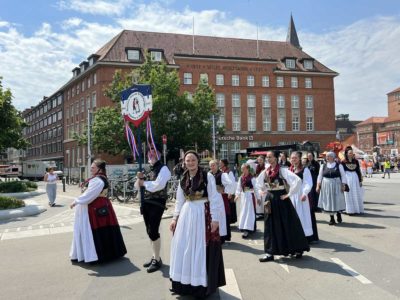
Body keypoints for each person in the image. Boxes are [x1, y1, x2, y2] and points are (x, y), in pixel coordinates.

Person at [169, 151, 226, 298]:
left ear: (197, 161)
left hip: (202, 214)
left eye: (193, 160)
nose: (190, 163)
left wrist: (215, 219)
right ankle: (182, 284)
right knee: (184, 247)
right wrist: (175, 218)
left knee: (199, 248)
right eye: (188, 160)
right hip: (187, 215)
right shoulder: (183, 177)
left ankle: (199, 286)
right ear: (184, 162)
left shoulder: (207, 176)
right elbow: (179, 200)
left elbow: (214, 198)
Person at [256, 151, 309, 262]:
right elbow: (258, 183)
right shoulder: (265, 171)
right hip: (269, 200)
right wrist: (262, 191)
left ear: (275, 158)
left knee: (288, 224)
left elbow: (297, 180)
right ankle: (270, 252)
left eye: (270, 157)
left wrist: (289, 194)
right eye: (267, 157)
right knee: (270, 226)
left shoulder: (282, 170)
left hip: (281, 200)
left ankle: (296, 248)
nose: (268, 159)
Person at [70, 159, 127, 263]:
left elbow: (89, 195)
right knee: (106, 229)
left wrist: (76, 201)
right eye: (91, 167)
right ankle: (110, 253)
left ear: (99, 169)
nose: (91, 169)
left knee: (97, 230)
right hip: (103, 205)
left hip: (95, 207)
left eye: (93, 167)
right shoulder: (101, 178)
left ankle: (99, 255)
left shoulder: (97, 180)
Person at [136, 145, 171, 273]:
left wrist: (143, 182)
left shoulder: (164, 168)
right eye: (149, 154)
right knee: (149, 230)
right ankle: (154, 257)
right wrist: (139, 178)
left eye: (154, 154)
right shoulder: (147, 169)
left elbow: (159, 185)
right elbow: (137, 186)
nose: (151, 156)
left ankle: (157, 259)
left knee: (153, 231)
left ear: (159, 155)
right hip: (146, 202)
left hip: (157, 202)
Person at [289, 152, 315, 243]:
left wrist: (304, 193)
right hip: (292, 195)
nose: (293, 160)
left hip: (301, 195)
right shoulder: (290, 170)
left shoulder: (305, 170)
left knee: (303, 215)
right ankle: (295, 235)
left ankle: (305, 236)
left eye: (295, 158)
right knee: (294, 216)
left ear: (299, 158)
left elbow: (308, 183)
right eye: (292, 158)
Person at [316, 152, 347, 225]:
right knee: (329, 201)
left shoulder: (339, 165)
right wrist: (318, 186)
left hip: (336, 184)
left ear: (333, 157)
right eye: (326, 156)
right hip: (326, 185)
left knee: (337, 200)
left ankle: (338, 214)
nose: (327, 157)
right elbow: (320, 176)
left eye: (329, 156)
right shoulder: (323, 166)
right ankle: (332, 219)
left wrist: (343, 185)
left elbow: (343, 176)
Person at [235, 163, 260, 238]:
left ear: (248, 169)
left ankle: (248, 229)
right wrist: (237, 195)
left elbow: (256, 188)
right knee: (243, 212)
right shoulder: (241, 178)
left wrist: (258, 198)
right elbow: (238, 188)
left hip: (249, 197)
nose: (242, 170)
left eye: (244, 168)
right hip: (243, 197)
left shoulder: (252, 178)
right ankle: (243, 227)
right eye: (242, 169)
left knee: (250, 213)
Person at [209, 159, 231, 243]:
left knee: (221, 217)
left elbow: (230, 183)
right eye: (210, 165)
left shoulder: (222, 174)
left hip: (219, 198)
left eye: (213, 165)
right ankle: (213, 236)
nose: (212, 167)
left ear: (217, 165)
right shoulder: (208, 174)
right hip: (211, 198)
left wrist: (224, 190)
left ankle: (221, 237)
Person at [341, 146, 364, 216]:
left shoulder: (356, 161)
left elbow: (358, 171)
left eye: (351, 153)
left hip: (355, 178)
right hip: (347, 178)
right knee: (348, 194)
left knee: (356, 193)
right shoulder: (343, 161)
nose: (351, 154)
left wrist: (360, 180)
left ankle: (356, 209)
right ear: (346, 153)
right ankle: (349, 210)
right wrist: (343, 182)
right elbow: (341, 172)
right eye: (349, 153)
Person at [220, 159, 237, 228]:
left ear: (224, 164)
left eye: (221, 163)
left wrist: (230, 193)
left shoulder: (229, 172)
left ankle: (228, 222)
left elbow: (232, 183)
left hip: (228, 193)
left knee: (229, 207)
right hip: (223, 192)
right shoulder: (221, 171)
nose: (219, 164)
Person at [255, 155, 266, 220]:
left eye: (261, 160)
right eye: (258, 160)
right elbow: (256, 174)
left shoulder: (266, 166)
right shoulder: (257, 166)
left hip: (264, 183)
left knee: (264, 197)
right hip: (258, 182)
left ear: (263, 160)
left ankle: (264, 212)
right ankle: (259, 212)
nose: (259, 161)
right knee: (258, 197)